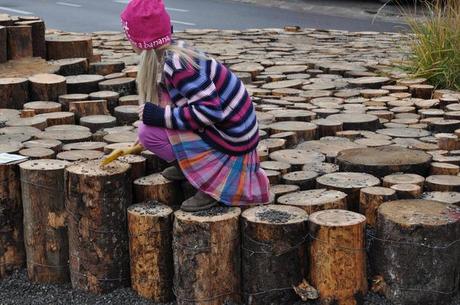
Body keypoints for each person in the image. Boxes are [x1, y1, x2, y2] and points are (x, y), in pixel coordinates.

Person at [120, 0, 270, 211]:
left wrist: (160, 118)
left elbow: (210, 111)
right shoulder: (172, 54)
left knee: (148, 131)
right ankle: (187, 166)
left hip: (233, 136)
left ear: (141, 39)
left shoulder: (177, 64)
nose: (128, 40)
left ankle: (209, 185)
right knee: (148, 131)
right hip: (231, 128)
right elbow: (175, 97)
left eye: (129, 35)